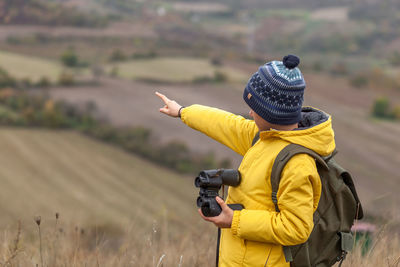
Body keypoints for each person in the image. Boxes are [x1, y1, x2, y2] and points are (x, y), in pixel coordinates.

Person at [155, 55, 335, 267]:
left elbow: (296, 228)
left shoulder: (297, 163)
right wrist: (183, 112)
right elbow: (225, 124)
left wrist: (235, 220)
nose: (250, 112)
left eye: (255, 108)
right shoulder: (263, 137)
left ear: (272, 112)